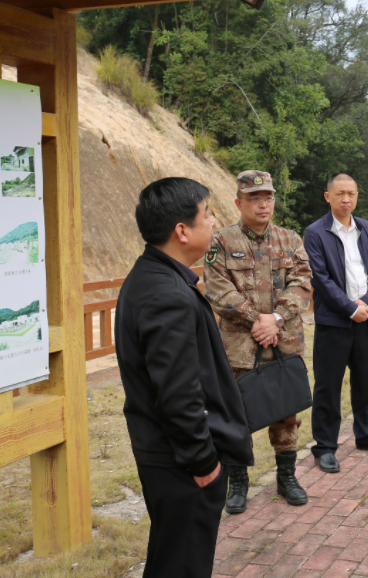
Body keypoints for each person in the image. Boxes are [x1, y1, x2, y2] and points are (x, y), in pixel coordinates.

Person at [115, 178, 253, 578]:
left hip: (166, 454)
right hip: (180, 462)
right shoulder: (167, 295)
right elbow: (179, 394)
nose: (213, 222)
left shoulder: (152, 276)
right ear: (182, 230)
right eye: (206, 214)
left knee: (170, 557)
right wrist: (203, 462)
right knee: (184, 564)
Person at [204, 170, 312, 512]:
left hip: (283, 343)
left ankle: (287, 477)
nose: (263, 203)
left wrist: (275, 319)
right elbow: (218, 290)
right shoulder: (221, 241)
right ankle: (238, 482)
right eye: (254, 198)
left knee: (286, 413)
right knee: (238, 414)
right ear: (239, 203)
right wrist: (257, 319)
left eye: (268, 197)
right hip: (239, 348)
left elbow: (302, 284)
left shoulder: (290, 240)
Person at [304, 172, 368, 473]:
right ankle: (324, 447)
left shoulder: (367, 229)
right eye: (340, 193)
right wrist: (348, 308)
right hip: (334, 323)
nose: (346, 199)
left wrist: (367, 303)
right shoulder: (315, 233)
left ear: (357, 196)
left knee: (363, 381)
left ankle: (367, 435)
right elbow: (320, 278)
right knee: (328, 386)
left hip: (365, 320)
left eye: (352, 193)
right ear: (328, 196)